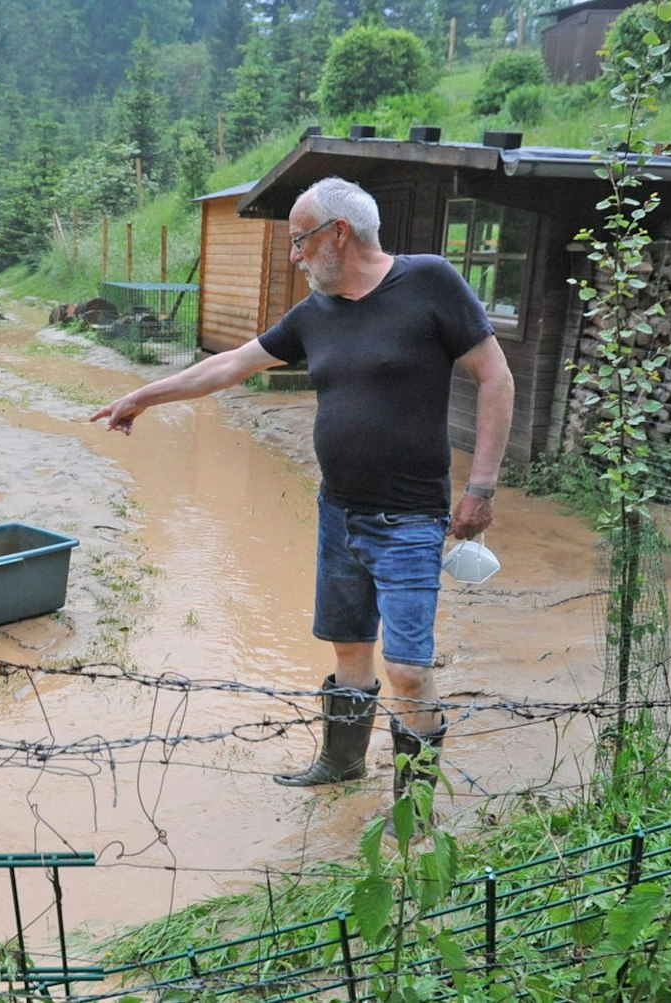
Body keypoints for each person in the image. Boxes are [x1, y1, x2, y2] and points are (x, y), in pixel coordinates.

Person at [90, 176, 514, 813]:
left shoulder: (428, 281)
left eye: (299, 240)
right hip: (338, 512)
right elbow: (229, 365)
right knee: (348, 648)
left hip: (410, 517)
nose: (293, 255)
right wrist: (142, 396)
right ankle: (340, 768)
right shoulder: (315, 314)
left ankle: (413, 811)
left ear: (337, 234)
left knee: (407, 668)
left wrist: (481, 487)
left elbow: (495, 377)